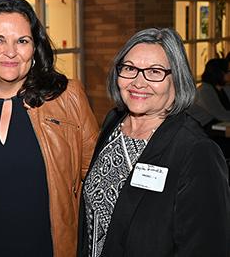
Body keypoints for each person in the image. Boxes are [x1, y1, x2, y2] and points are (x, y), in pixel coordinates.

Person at [0, 0, 99, 257]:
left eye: (22, 41)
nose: (10, 51)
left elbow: (97, 181)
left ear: (34, 48)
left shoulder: (68, 97)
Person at [78, 27, 230, 257]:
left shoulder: (197, 151)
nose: (138, 83)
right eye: (129, 68)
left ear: (177, 79)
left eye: (155, 71)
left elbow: (206, 246)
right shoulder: (113, 122)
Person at [195, 58, 230, 122]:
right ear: (219, 73)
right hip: (206, 128)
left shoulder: (225, 87)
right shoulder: (204, 91)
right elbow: (221, 115)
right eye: (228, 71)